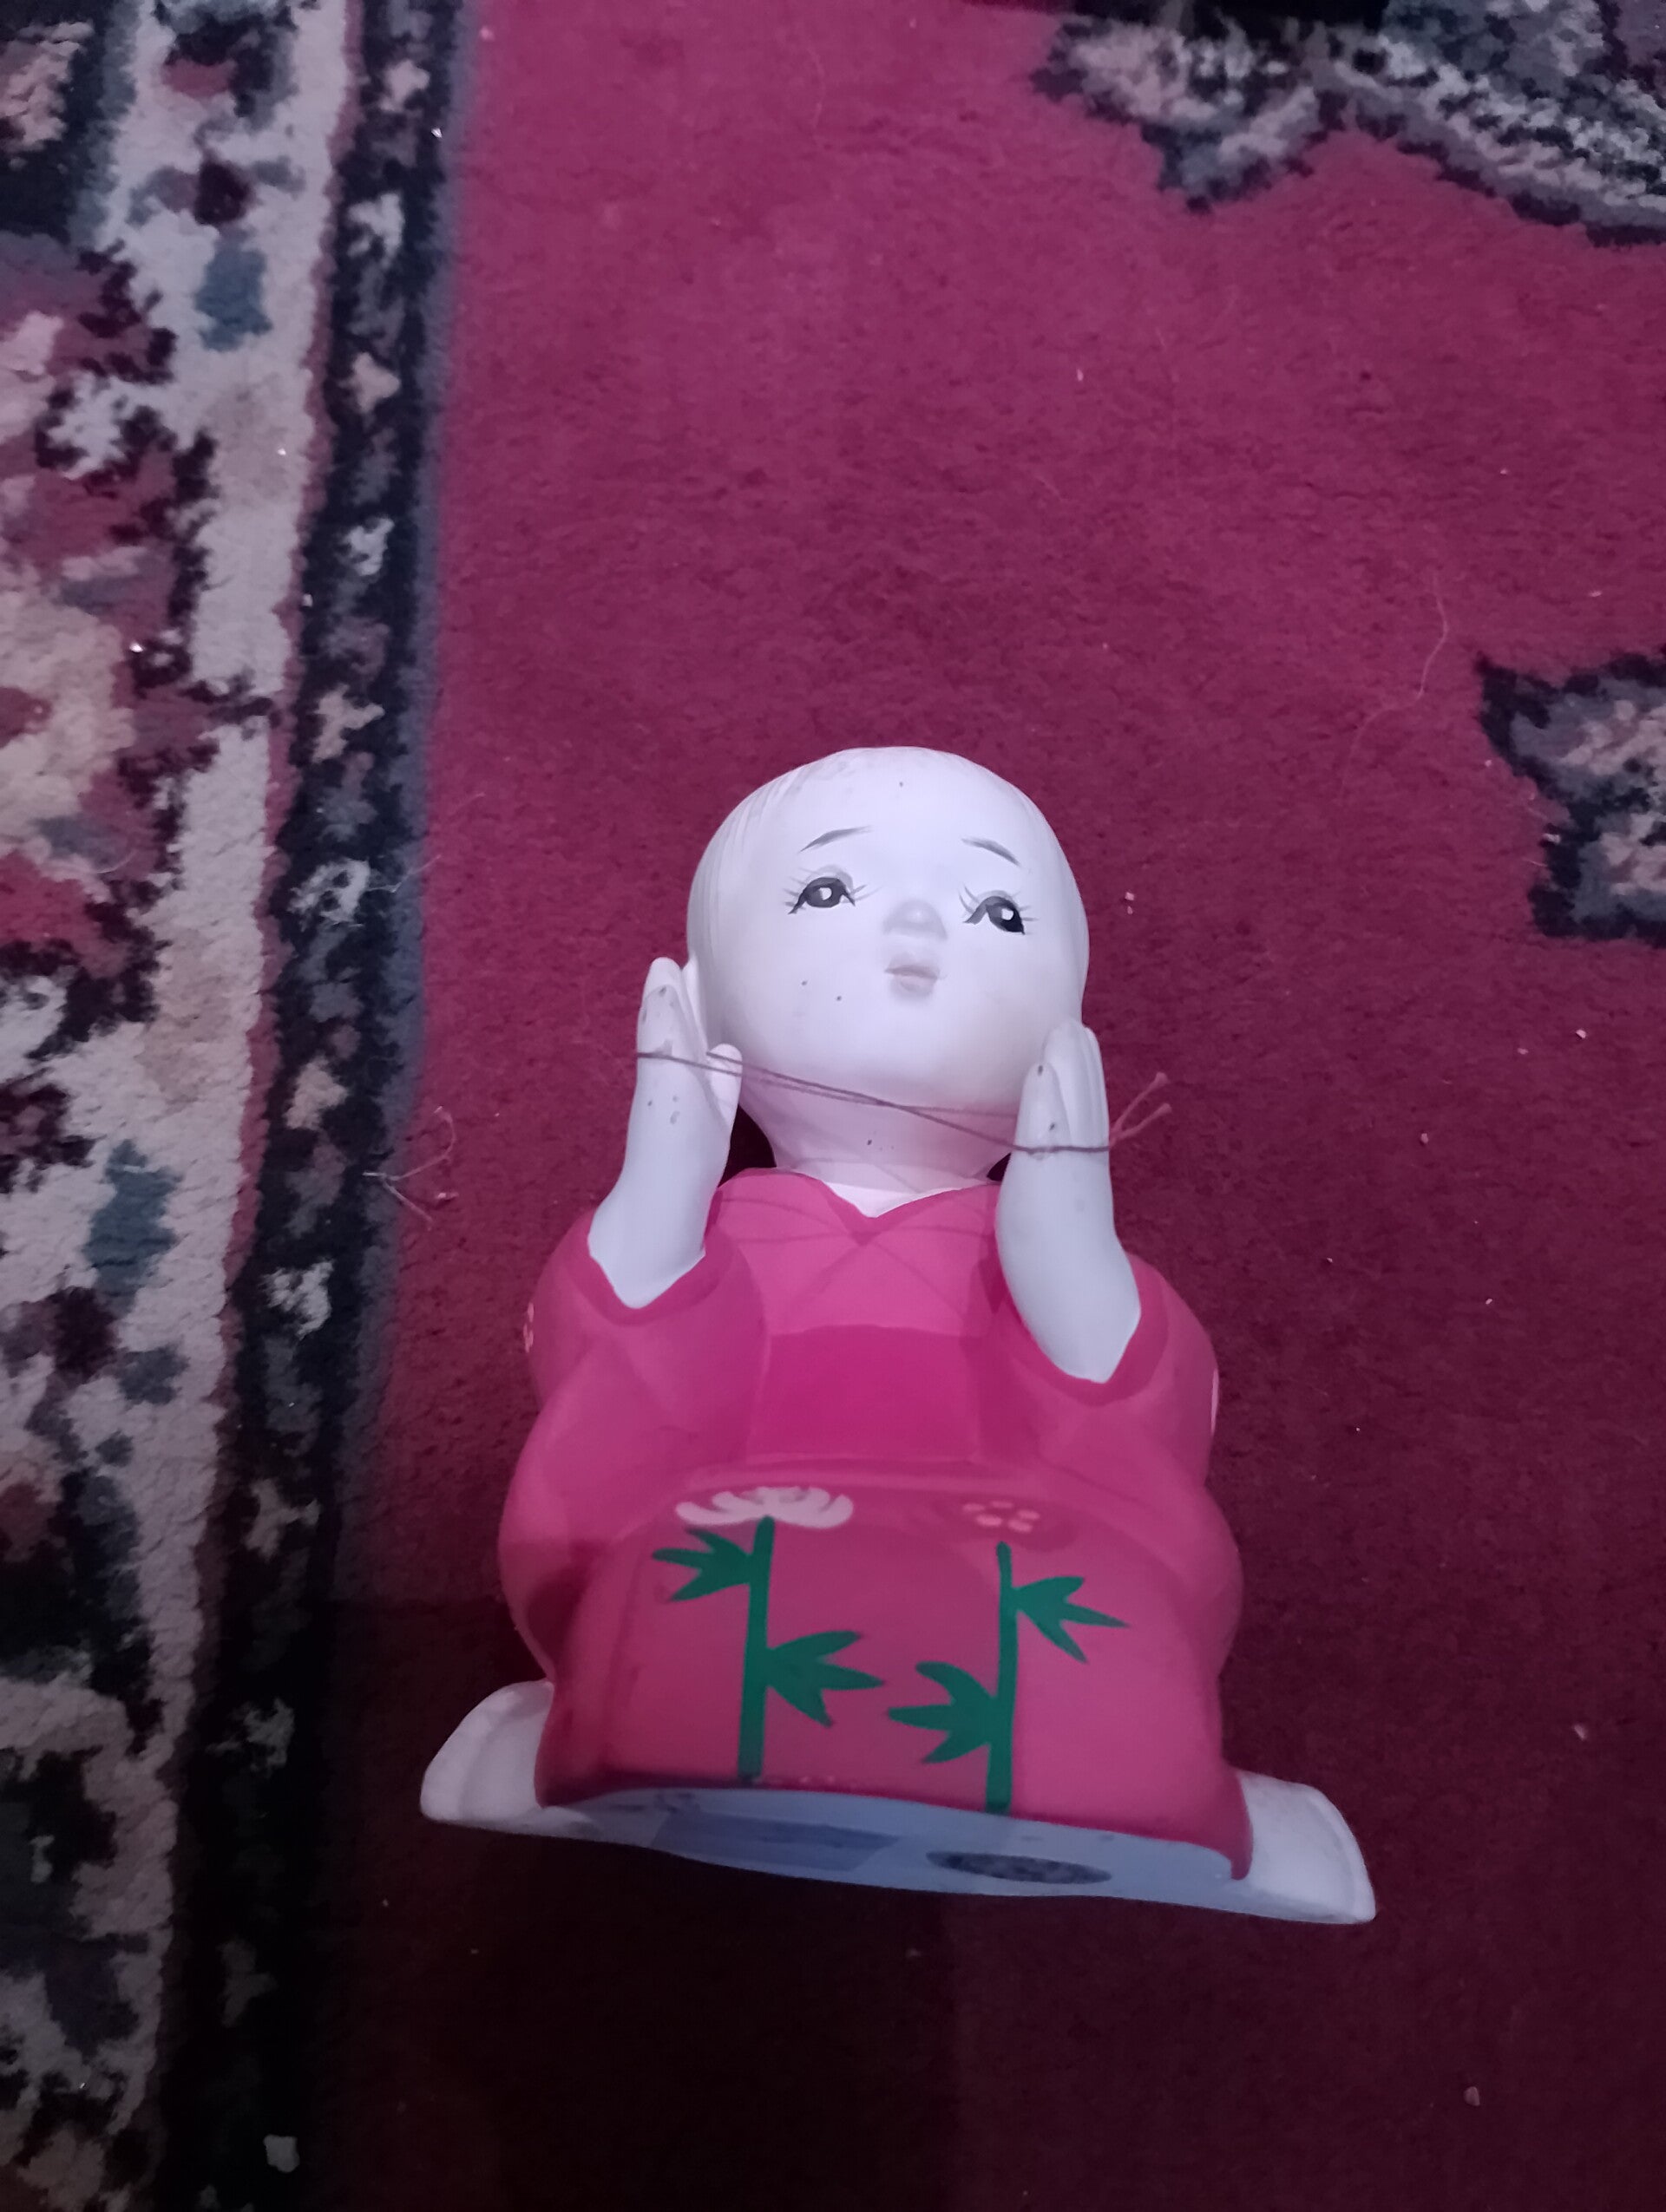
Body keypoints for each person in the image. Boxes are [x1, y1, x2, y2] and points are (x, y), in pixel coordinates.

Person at [424, 749, 1372, 1917]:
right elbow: (609, 1354)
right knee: (695, 1575)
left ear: (1067, 1035)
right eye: (829, 892)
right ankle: (604, 1736)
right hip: (732, 1510)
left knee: (1075, 1597)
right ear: (702, 1004)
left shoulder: (1030, 1236)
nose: (920, 929)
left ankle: (1173, 1811)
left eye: (1000, 913)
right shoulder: (723, 1224)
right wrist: (659, 1179)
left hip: (1016, 1528)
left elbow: (1135, 1410)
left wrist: (1065, 1244)